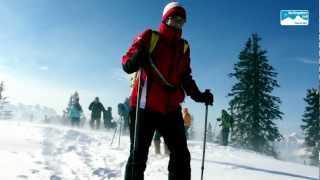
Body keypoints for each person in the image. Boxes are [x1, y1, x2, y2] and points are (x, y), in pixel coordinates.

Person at [121, 2, 214, 180]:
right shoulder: (150, 36)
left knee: (181, 155)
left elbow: (185, 77)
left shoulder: (184, 47)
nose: (178, 23)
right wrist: (133, 60)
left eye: (182, 20)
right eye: (174, 18)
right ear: (166, 19)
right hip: (144, 106)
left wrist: (199, 96)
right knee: (138, 156)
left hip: (170, 109)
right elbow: (127, 61)